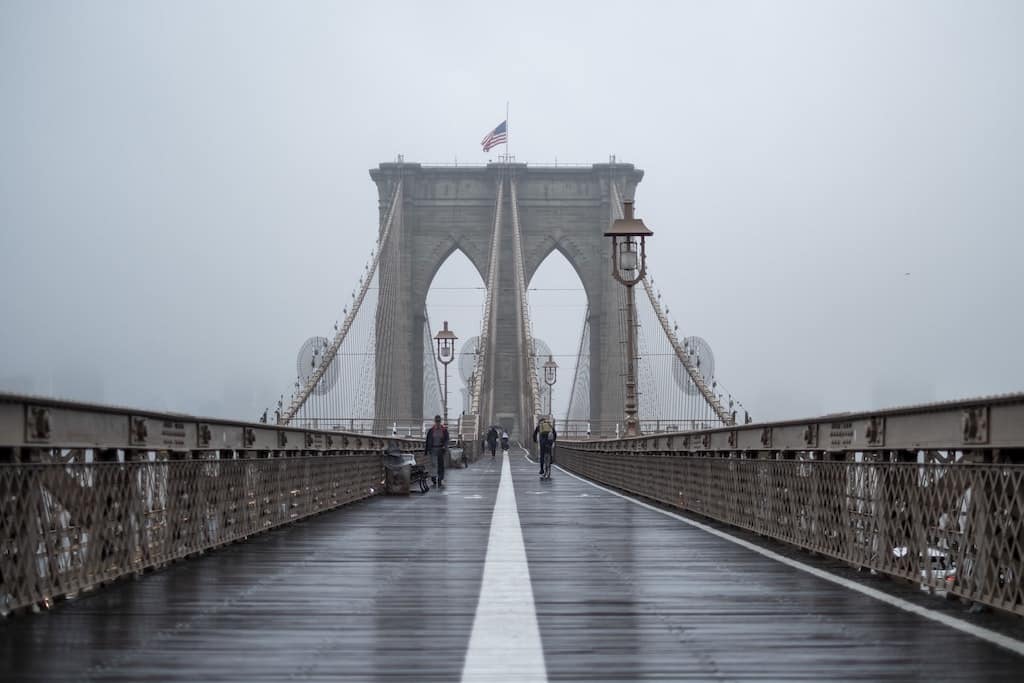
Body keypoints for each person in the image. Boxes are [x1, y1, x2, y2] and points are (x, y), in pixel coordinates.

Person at [424, 415, 449, 489]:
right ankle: (434, 478)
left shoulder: (444, 430)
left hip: (441, 449)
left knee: (441, 465)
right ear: (435, 421)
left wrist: (445, 446)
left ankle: (440, 479)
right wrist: (427, 450)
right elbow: (428, 441)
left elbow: (447, 439)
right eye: (436, 421)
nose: (437, 422)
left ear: (440, 421)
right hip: (433, 449)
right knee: (433, 464)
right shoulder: (431, 430)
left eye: (439, 421)